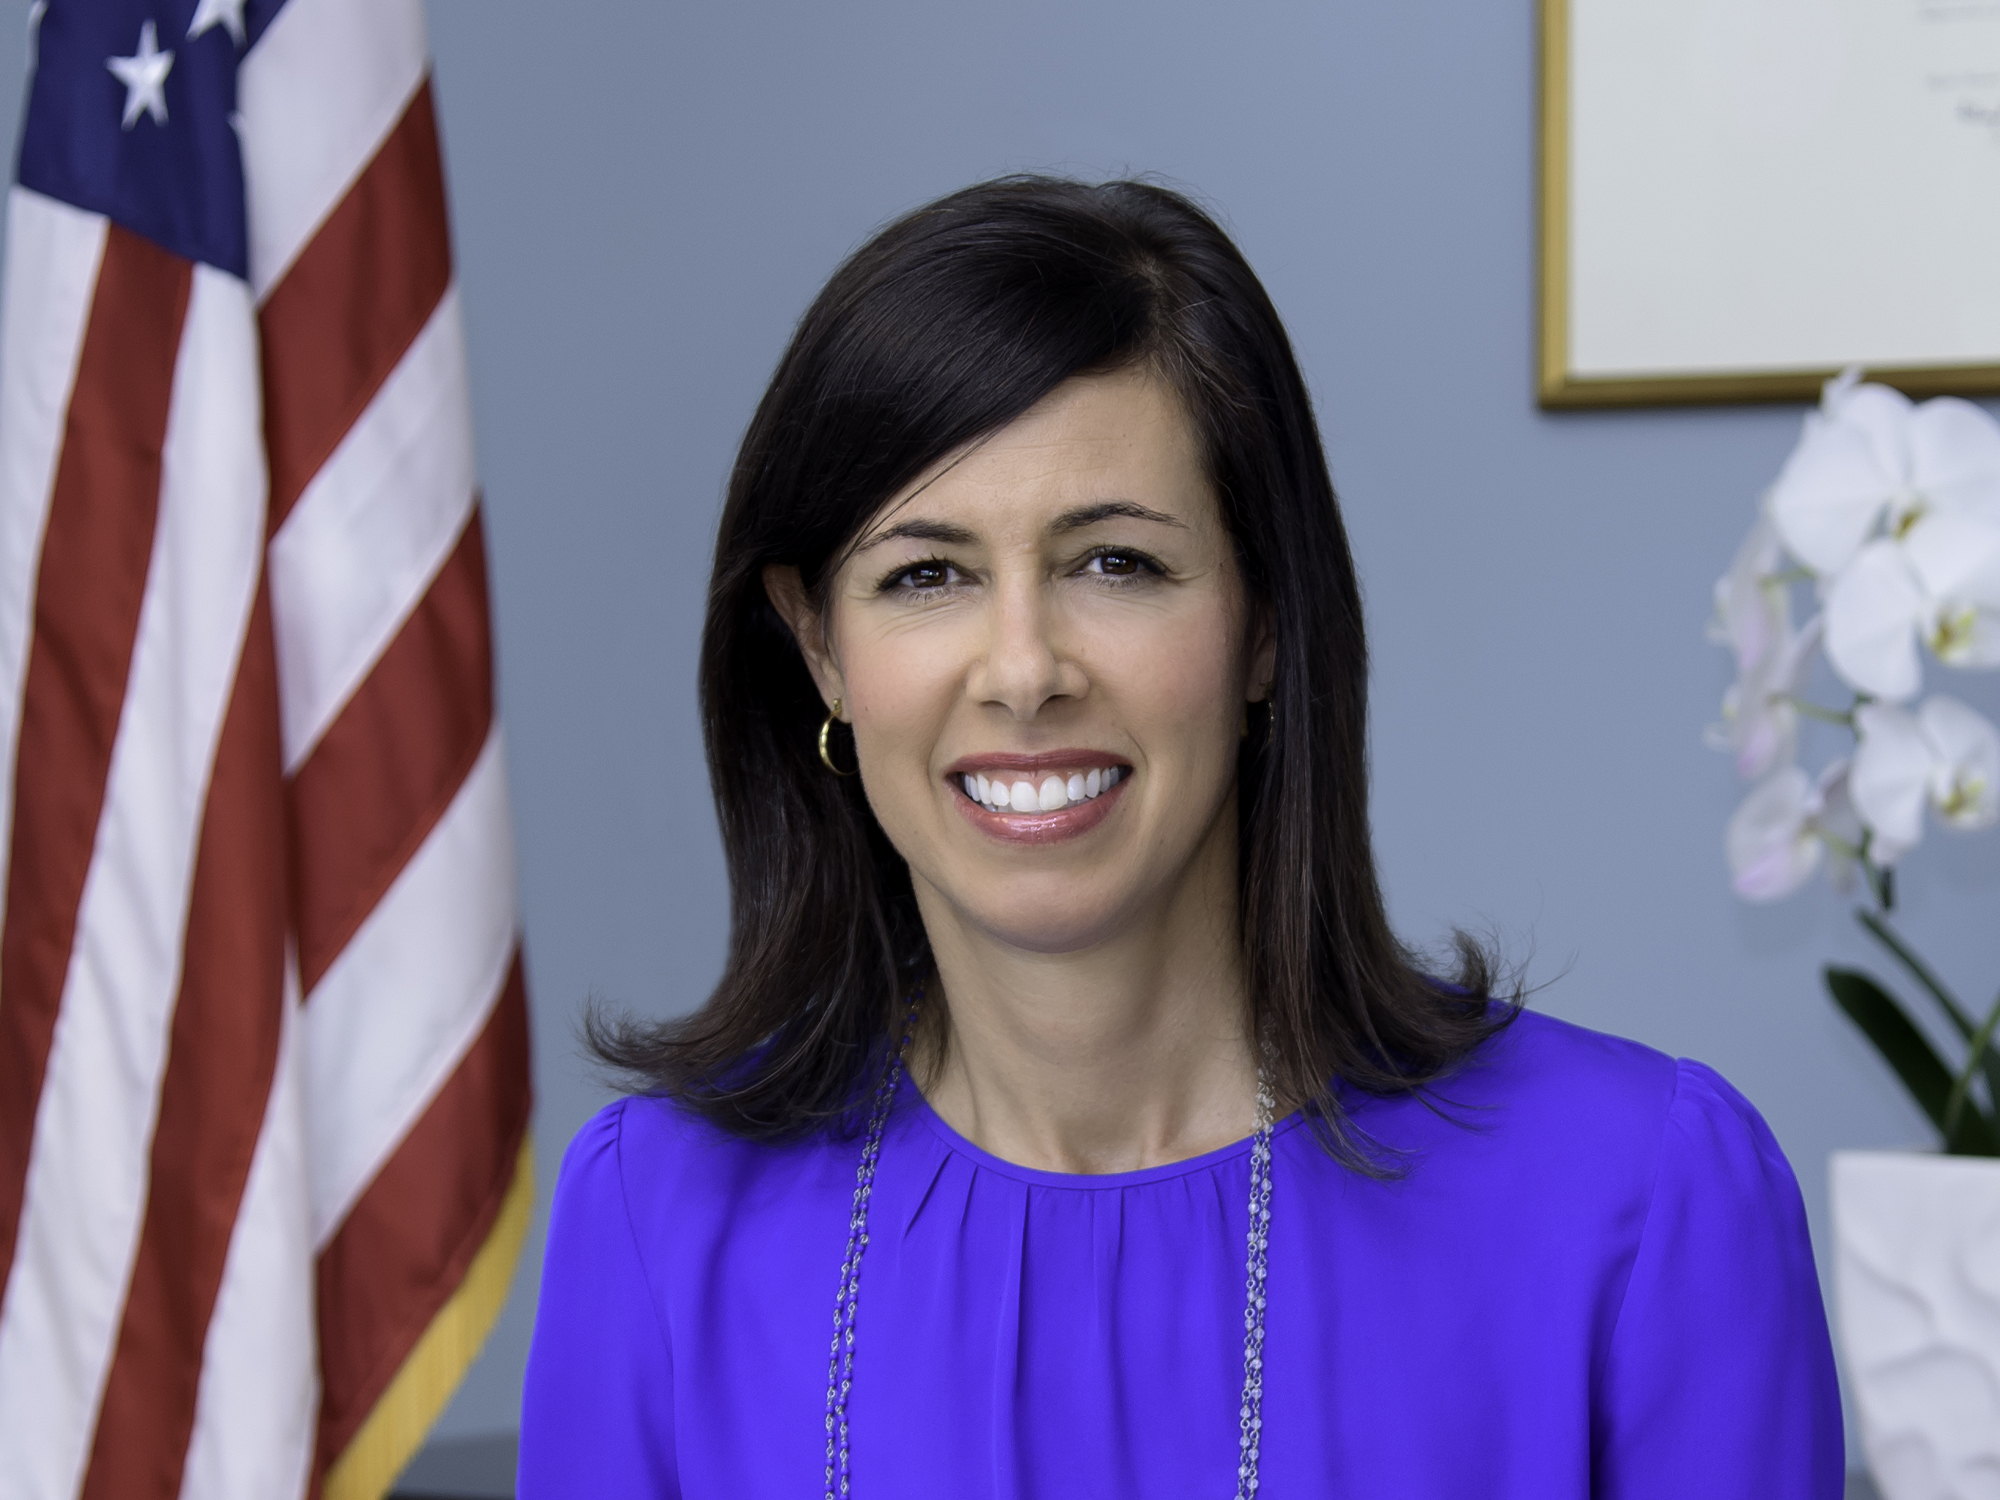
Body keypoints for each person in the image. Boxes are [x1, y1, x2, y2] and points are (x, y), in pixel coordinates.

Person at [517, 177, 1843, 1498]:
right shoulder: (654, 1221)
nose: (1024, 670)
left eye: (1116, 564)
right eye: (926, 574)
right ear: (819, 648)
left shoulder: (1641, 1205)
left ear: (1265, 622)